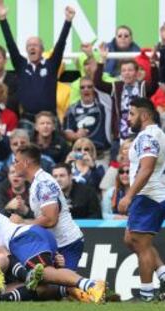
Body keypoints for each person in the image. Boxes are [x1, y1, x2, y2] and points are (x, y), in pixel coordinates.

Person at [0, 202, 105, 303]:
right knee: (38, 285)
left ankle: (90, 285)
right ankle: (74, 291)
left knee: (44, 273)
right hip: (29, 243)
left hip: (23, 238)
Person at [117, 98, 165, 302]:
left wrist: (129, 195)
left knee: (141, 244)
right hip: (150, 194)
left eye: (132, 114)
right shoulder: (155, 135)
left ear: (144, 115)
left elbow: (147, 168)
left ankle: (146, 296)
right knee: (131, 239)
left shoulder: (148, 136)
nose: (129, 119)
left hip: (149, 195)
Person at [0, 0, 75, 121]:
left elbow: (61, 44)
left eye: (35, 45)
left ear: (42, 49)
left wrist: (68, 21)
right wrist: (3, 20)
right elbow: (10, 44)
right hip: (27, 118)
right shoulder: (21, 65)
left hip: (49, 118)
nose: (32, 47)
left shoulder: (51, 65)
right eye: (29, 46)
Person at [14, 145, 84, 271]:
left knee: (65, 285)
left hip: (67, 243)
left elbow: (51, 220)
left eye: (16, 161)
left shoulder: (43, 183)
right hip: (56, 244)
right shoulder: (37, 182)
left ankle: (97, 289)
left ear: (25, 163)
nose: (14, 166)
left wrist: (24, 223)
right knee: (53, 285)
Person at [95, 44, 158, 142]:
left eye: (130, 70)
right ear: (120, 73)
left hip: (141, 135)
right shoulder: (116, 87)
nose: (127, 73)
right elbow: (98, 83)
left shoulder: (142, 87)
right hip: (121, 136)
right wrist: (102, 60)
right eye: (123, 70)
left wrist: (153, 65)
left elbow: (154, 85)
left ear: (136, 73)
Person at [64, 77, 111, 157]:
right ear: (79, 90)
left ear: (94, 89)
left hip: (101, 152)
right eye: (82, 87)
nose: (86, 89)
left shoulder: (104, 107)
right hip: (79, 153)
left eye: (89, 87)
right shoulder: (72, 108)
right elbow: (67, 132)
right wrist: (76, 136)